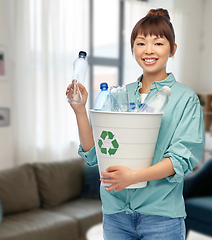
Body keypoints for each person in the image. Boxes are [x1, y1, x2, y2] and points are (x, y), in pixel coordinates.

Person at [66, 8, 204, 240]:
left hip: (161, 216)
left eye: (158, 43)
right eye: (141, 43)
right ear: (133, 49)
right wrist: (79, 110)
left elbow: (181, 159)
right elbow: (95, 154)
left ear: (173, 49)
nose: (149, 50)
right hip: (115, 214)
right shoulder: (119, 94)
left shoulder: (184, 98)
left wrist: (134, 177)